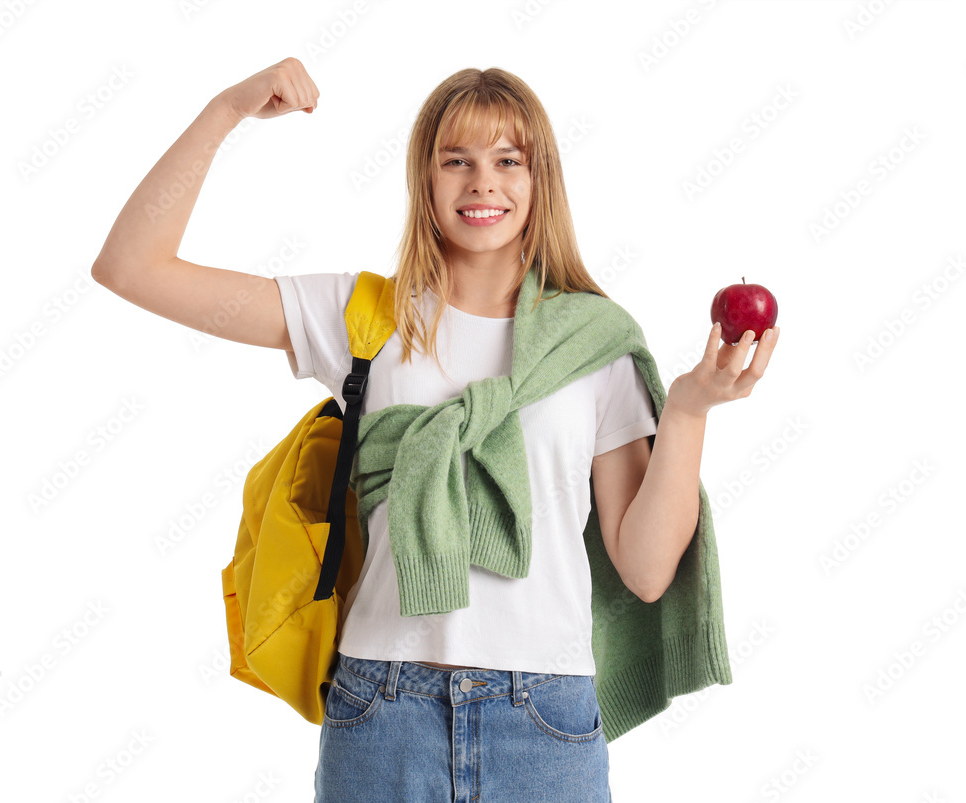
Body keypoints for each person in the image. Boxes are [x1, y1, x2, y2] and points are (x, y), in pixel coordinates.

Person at [92, 58, 778, 802]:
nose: (483, 182)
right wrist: (225, 110)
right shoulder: (364, 317)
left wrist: (687, 410)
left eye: (508, 161)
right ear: (425, 181)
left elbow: (645, 571)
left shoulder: (593, 342)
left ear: (540, 180)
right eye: (457, 160)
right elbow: (132, 267)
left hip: (543, 724)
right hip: (383, 711)